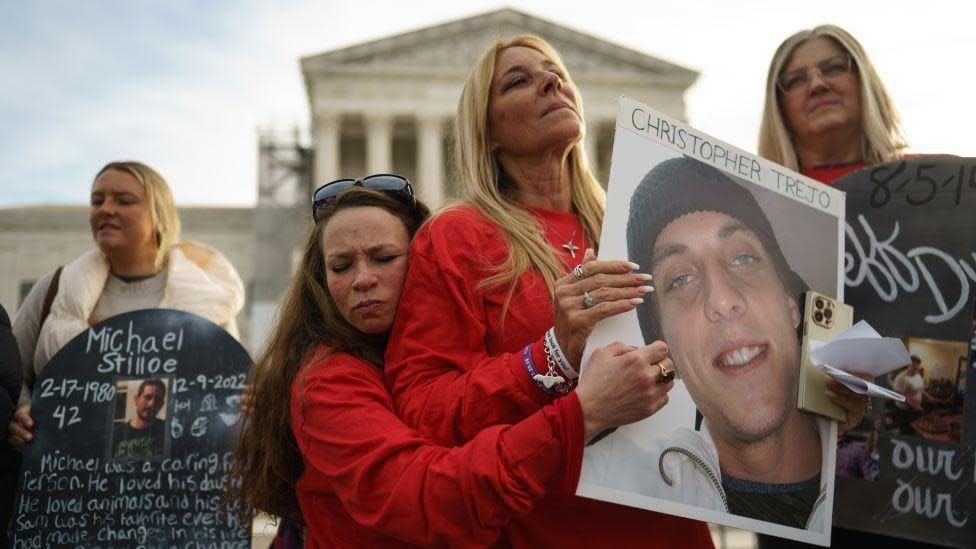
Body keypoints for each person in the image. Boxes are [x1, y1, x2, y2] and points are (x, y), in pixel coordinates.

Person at [385, 35, 714, 547]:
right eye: (518, 80)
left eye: (556, 72)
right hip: (550, 529)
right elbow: (424, 411)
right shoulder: (457, 237)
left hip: (673, 526)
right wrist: (552, 354)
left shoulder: (638, 228)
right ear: (486, 130)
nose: (551, 81)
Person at [229, 179, 677, 548]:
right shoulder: (327, 379)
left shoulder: (430, 355)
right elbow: (426, 500)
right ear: (320, 280)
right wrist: (585, 412)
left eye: (384, 259)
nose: (363, 280)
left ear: (425, 263)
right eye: (341, 266)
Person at [585, 156, 862, 530]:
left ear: (791, 305)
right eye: (681, 279)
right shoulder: (624, 484)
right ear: (664, 347)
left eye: (743, 258)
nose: (721, 300)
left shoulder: (865, 456)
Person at [8, 161, 244, 451]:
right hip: (68, 475)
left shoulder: (209, 301)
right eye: (97, 201)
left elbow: (231, 391)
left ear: (160, 217)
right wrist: (19, 411)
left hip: (172, 483)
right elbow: (9, 372)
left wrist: (251, 402)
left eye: (124, 200)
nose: (105, 209)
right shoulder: (56, 289)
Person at [758, 24, 907, 185]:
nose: (817, 84)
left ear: (863, 81)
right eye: (796, 80)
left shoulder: (926, 179)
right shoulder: (758, 200)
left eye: (834, 68)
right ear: (779, 107)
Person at [112, 378, 167, 460]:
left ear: (161, 405)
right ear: (136, 400)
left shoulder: (167, 431)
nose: (152, 404)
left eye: (158, 400)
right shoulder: (117, 434)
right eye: (147, 397)